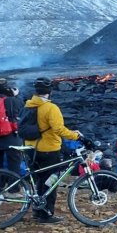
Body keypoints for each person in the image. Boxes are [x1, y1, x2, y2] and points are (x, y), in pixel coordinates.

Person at [24, 77, 81, 224]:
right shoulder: (51, 108)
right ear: (50, 91)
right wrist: (75, 136)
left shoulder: (28, 105)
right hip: (48, 149)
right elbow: (58, 129)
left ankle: (38, 210)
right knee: (50, 181)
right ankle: (46, 214)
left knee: (40, 180)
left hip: (30, 148)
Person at [0, 79, 24, 193]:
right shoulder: (11, 100)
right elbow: (21, 110)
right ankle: (13, 189)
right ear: (7, 87)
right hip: (11, 136)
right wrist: (17, 96)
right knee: (14, 163)